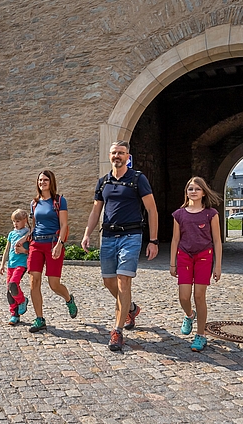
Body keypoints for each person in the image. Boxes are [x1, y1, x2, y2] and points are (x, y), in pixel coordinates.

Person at [82, 141, 159, 351]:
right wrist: (87, 234)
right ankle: (131, 308)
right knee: (108, 282)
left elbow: (152, 210)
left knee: (123, 281)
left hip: (131, 235)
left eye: (121, 153)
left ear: (127, 156)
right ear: (110, 155)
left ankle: (117, 331)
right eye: (114, 152)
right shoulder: (103, 182)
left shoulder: (138, 179)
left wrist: (153, 240)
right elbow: (96, 211)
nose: (117, 156)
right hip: (108, 236)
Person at [170, 176, 222, 352]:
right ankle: (189, 315)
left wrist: (218, 266)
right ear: (186, 192)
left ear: (203, 192)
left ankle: (200, 335)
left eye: (197, 189)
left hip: (204, 257)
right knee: (184, 297)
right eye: (190, 188)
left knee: (199, 296)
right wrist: (172, 263)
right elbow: (175, 239)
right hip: (184, 256)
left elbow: (217, 241)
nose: (193, 191)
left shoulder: (211, 214)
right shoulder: (179, 214)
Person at [26, 170, 78, 333]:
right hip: (36, 244)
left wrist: (60, 244)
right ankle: (39, 319)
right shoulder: (34, 203)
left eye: (45, 180)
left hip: (53, 243)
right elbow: (34, 225)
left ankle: (68, 299)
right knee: (34, 281)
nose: (42, 182)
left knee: (54, 284)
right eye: (40, 180)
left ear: (51, 182)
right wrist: (24, 241)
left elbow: (64, 225)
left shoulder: (59, 201)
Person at [0, 209, 31, 325]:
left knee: (13, 284)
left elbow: (32, 251)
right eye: (14, 221)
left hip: (21, 264)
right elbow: (7, 250)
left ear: (25, 220)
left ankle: (22, 300)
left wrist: (24, 250)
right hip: (11, 265)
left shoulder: (28, 234)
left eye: (18, 221)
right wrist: (2, 264)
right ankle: (14, 315)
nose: (15, 224)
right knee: (9, 291)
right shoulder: (11, 234)